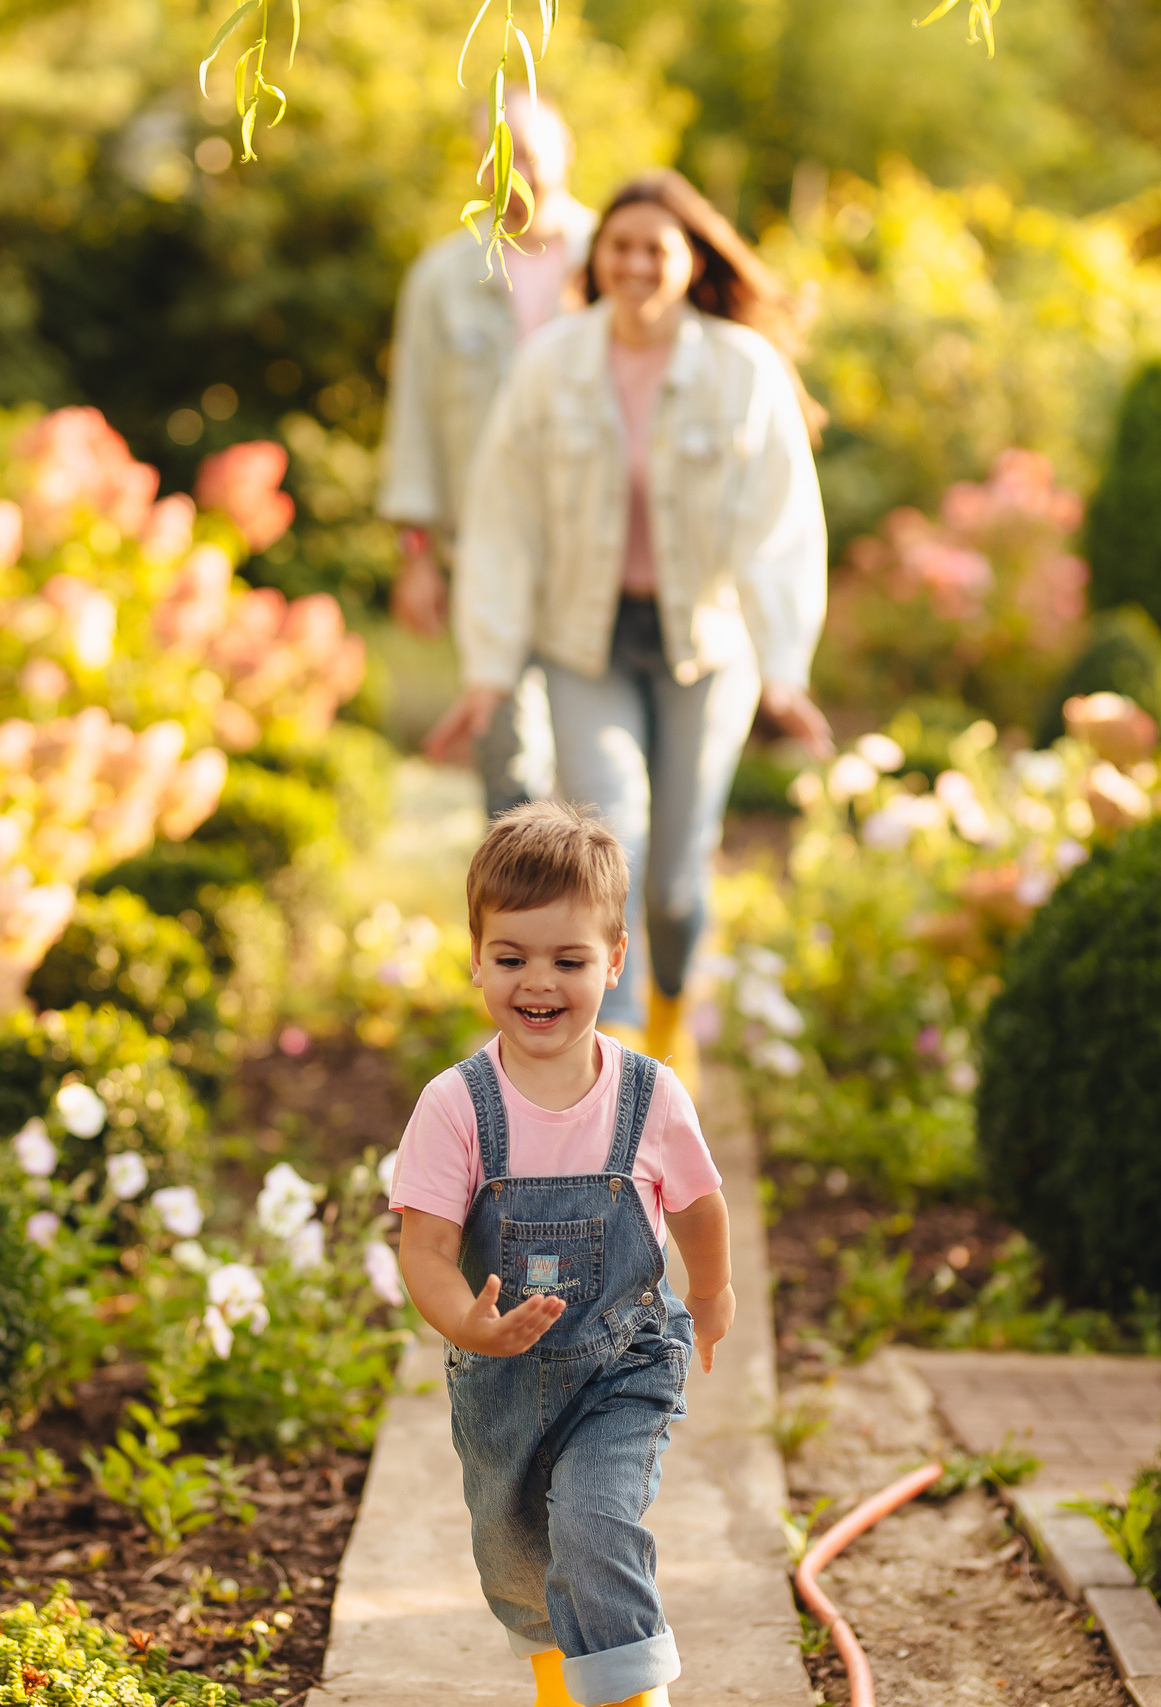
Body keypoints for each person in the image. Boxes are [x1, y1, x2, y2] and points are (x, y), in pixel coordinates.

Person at [425, 170, 834, 1061]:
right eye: (621, 246)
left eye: (657, 247)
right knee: (611, 842)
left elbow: (782, 525)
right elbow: (503, 522)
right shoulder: (551, 364)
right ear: (596, 257)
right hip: (588, 642)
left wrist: (784, 666)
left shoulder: (741, 367)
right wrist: (489, 668)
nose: (638, 263)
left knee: (678, 878)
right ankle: (617, 1060)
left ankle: (673, 1017)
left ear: (690, 259)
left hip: (706, 647)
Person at [392, 801, 733, 1707]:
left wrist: (715, 1287)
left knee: (594, 1524)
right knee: (520, 1564)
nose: (537, 982)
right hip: (504, 1382)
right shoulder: (454, 1106)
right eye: (512, 958)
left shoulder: (650, 1096)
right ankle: (567, 1691)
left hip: (623, 1364)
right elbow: (424, 1243)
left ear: (615, 960)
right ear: (477, 956)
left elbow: (699, 1202)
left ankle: (632, 1700)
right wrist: (466, 1318)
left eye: (569, 960)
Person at [377, 95, 595, 816]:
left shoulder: (616, 259)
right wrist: (415, 555)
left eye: (529, 149)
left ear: (565, 149)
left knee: (596, 757)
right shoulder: (442, 277)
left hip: (598, 545)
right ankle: (518, 918)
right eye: (495, 152)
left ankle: (601, 922)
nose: (515, 167)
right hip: (486, 549)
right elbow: (413, 422)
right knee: (507, 752)